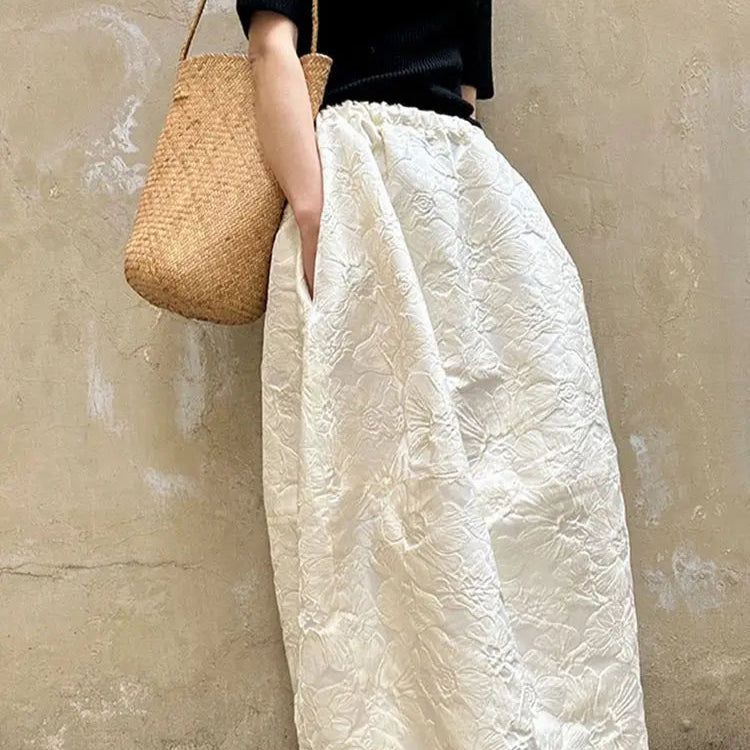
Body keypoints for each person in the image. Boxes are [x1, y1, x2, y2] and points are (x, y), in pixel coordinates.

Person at [237, 1, 650, 748]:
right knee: (388, 508)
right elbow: (273, 50)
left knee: (513, 491)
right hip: (386, 190)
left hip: (451, 200)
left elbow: (453, 90)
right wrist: (316, 215)